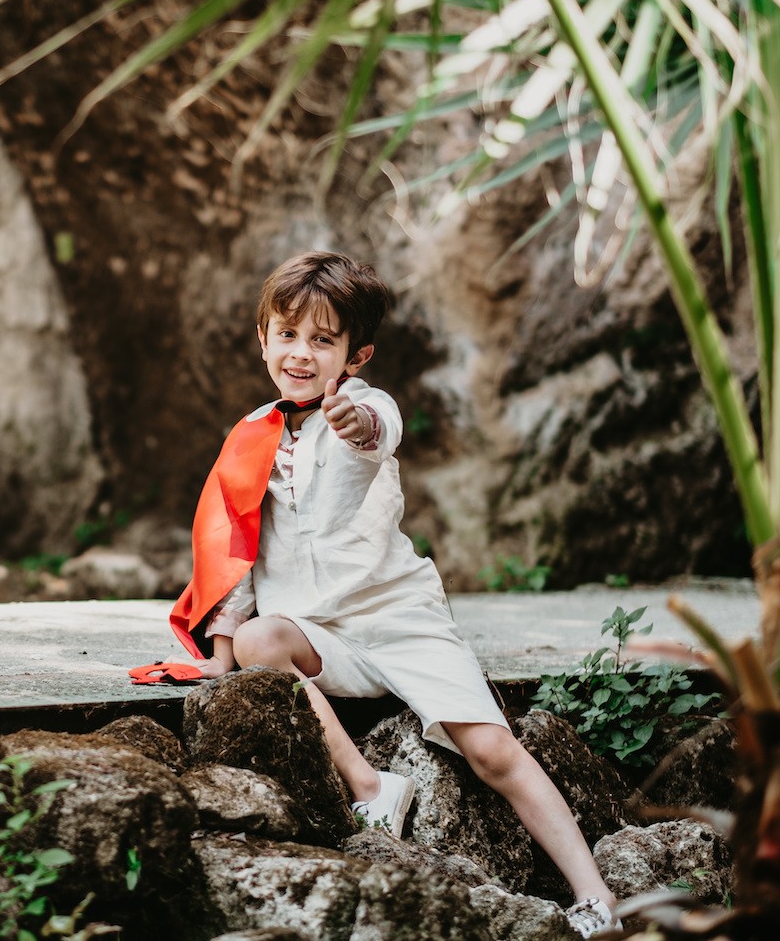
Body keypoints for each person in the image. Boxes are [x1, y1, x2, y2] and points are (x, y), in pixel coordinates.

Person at [166, 251, 619, 938]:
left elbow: (378, 434)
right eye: (286, 334)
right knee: (263, 638)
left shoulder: (366, 405)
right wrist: (221, 656)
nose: (300, 353)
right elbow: (237, 552)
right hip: (320, 637)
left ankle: (595, 897)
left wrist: (354, 424)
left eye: (323, 340)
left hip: (400, 620)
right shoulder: (251, 436)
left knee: (492, 751)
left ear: (356, 355)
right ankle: (372, 787)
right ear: (262, 339)